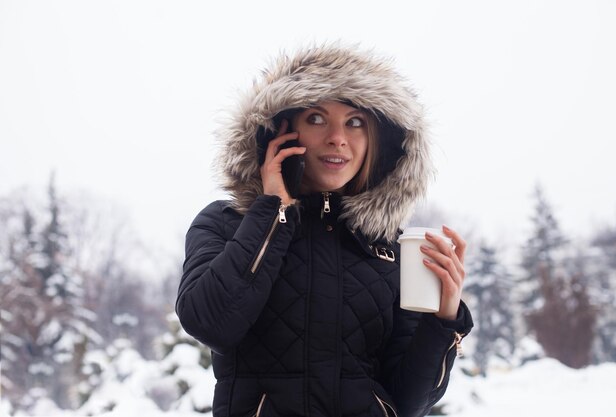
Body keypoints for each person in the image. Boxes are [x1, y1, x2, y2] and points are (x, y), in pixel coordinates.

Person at [176, 43, 473, 417]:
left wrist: (444, 320)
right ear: (279, 133)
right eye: (316, 119)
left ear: (375, 143)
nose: (337, 137)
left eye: (355, 122)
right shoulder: (227, 221)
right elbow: (210, 324)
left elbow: (410, 401)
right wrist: (273, 212)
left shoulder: (389, 248)